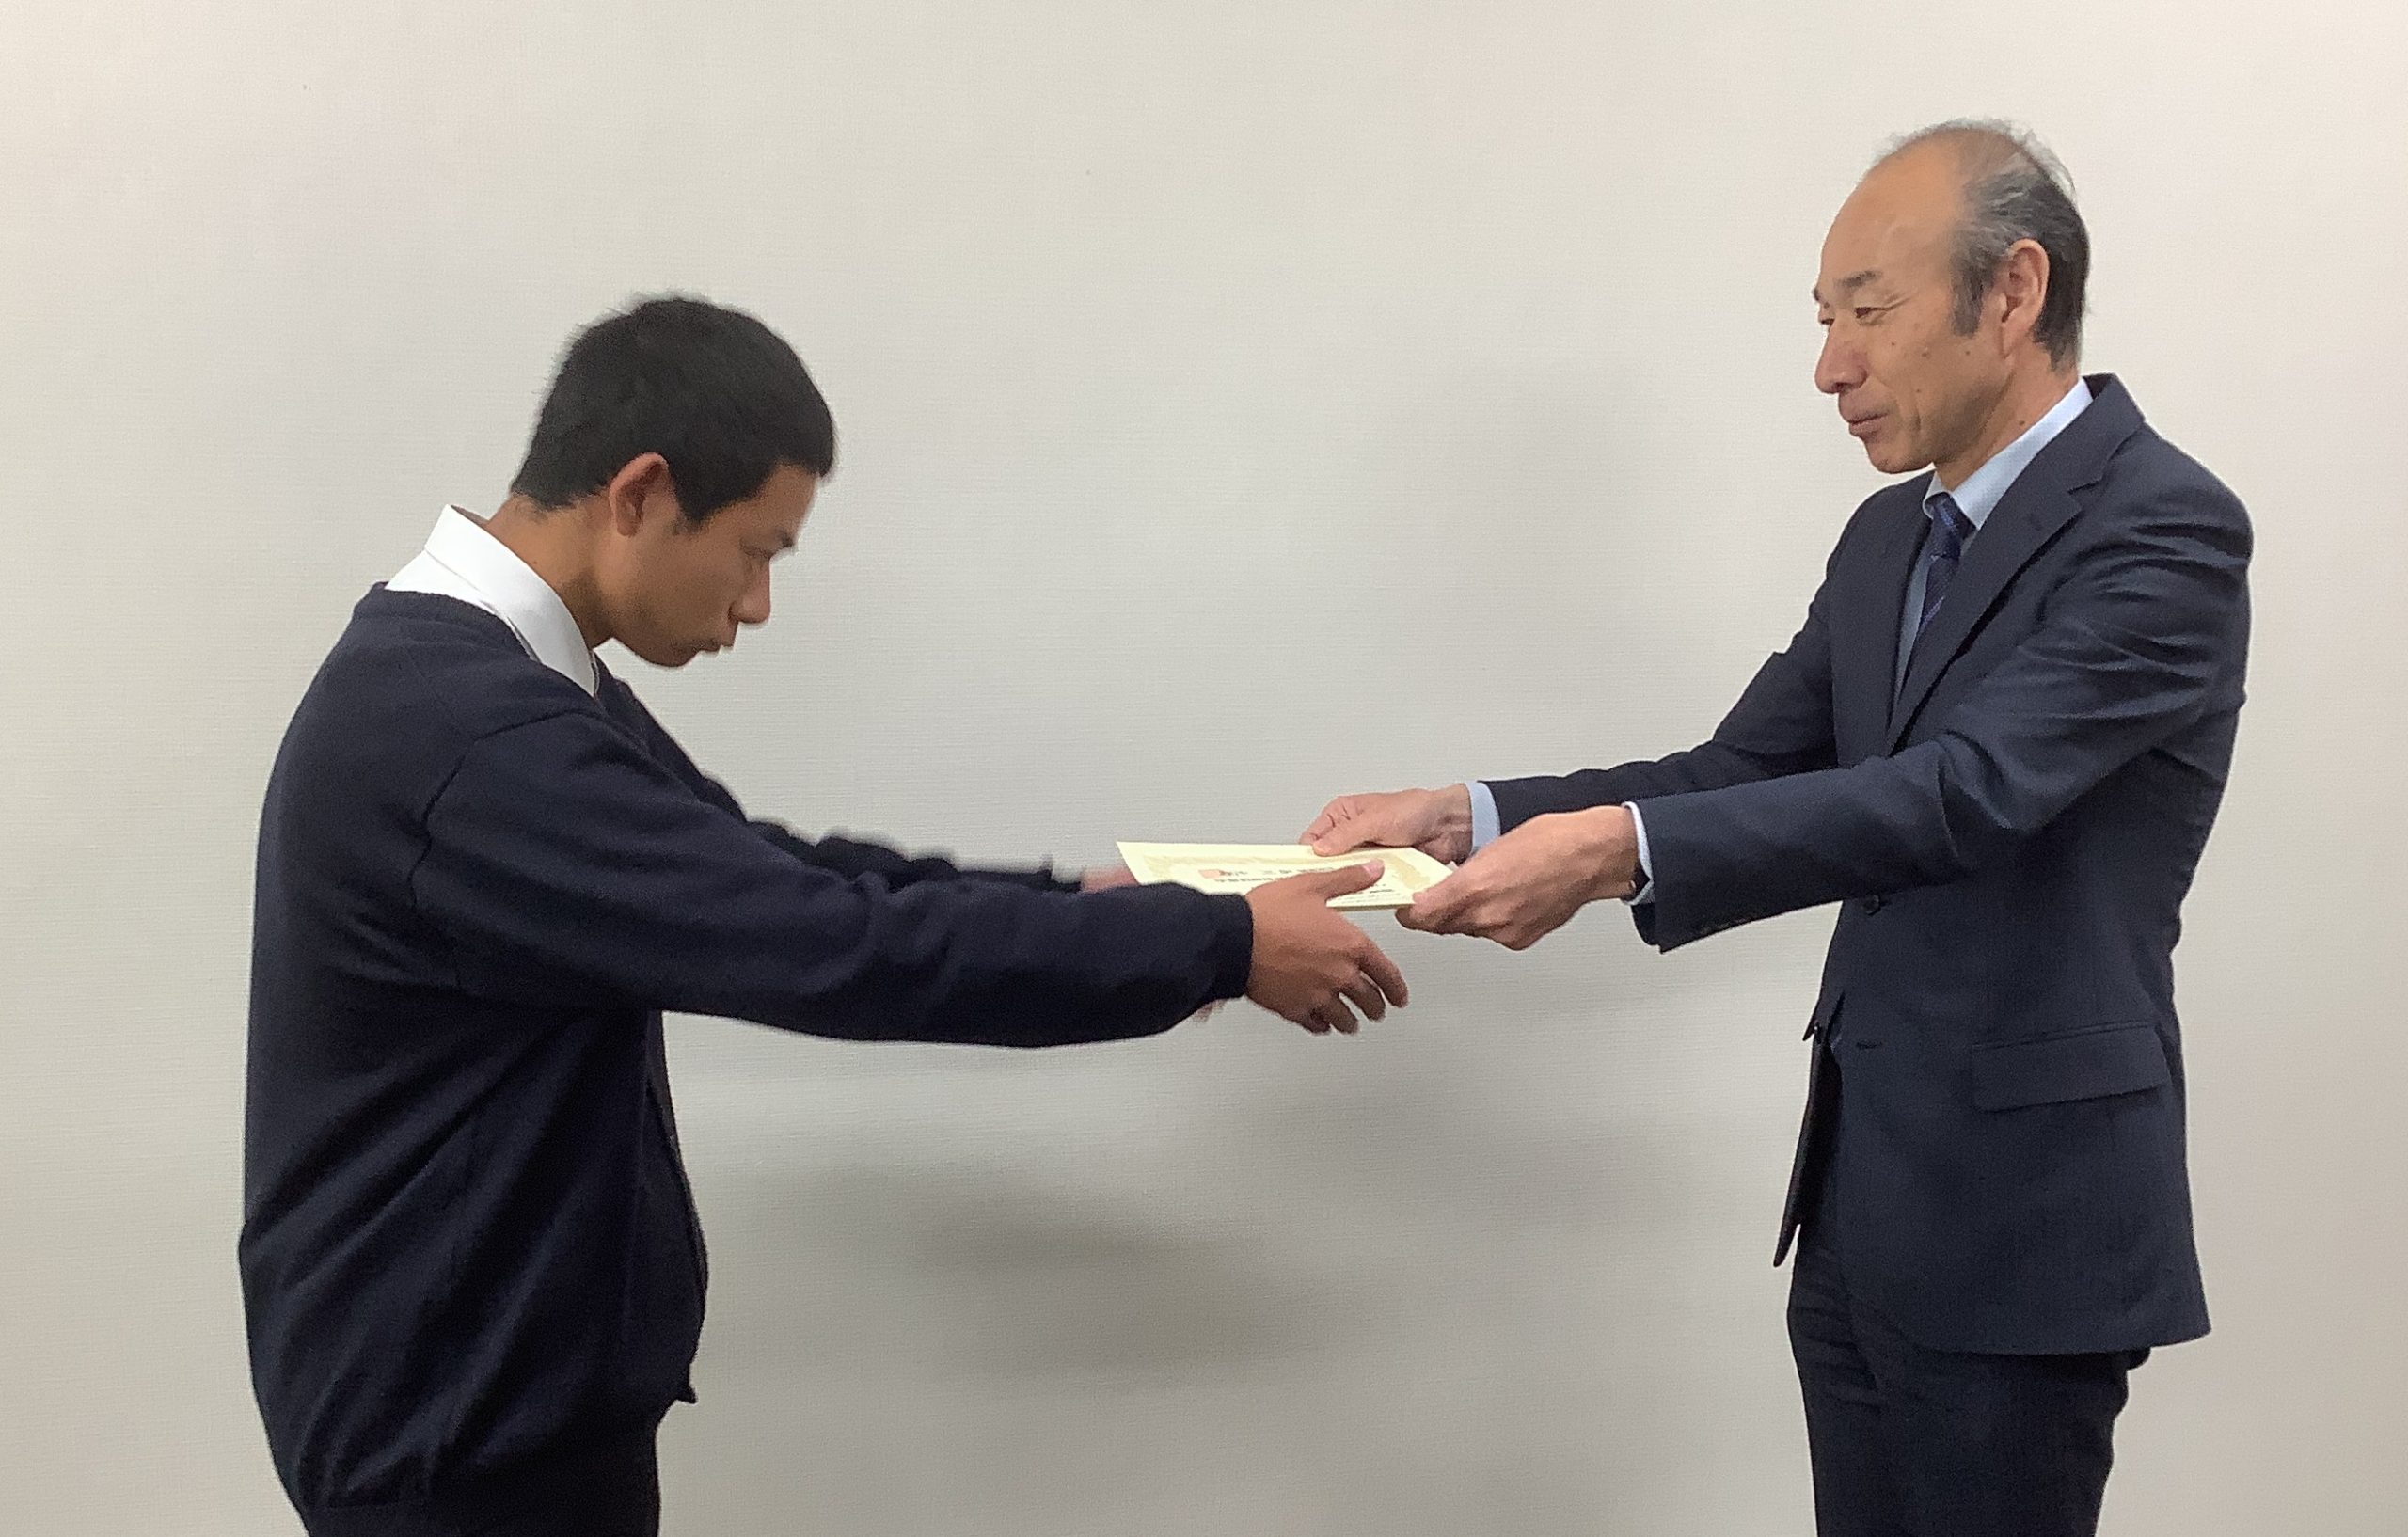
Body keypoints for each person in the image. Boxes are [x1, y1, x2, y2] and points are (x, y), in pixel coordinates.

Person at [242, 295, 1407, 1537]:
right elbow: (825, 947)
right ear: (641, 493)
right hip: (454, 1448)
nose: (756, 604)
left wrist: (1089, 903)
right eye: (756, 551)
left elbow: (777, 872)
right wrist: (1218, 945)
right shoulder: (466, 736)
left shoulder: (500, 685)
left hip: (483, 1406)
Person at [1302, 121, 2248, 1536]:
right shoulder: (1888, 540)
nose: (1831, 366)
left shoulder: (2164, 529)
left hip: (2024, 1227)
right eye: (1824, 320)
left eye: (1868, 312)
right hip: (1860, 1208)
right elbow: (1739, 768)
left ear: (2013, 291)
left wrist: (1614, 852)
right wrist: (1472, 814)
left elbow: (1963, 792)